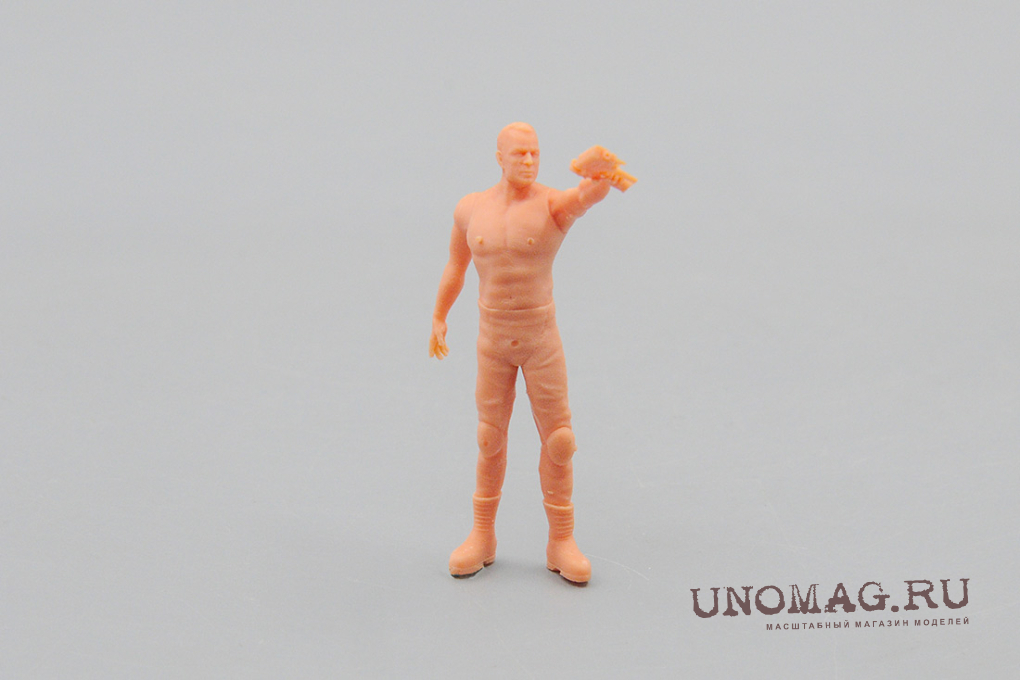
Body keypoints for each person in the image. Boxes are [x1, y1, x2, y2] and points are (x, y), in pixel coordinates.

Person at [429, 122, 625, 584]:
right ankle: (482, 535)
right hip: (492, 338)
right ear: (499, 157)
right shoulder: (470, 209)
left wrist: (601, 177)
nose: (529, 161)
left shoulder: (552, 205)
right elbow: (456, 265)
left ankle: (562, 539)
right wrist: (439, 315)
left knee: (559, 440)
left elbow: (585, 196)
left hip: (540, 339)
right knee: (489, 438)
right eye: (519, 153)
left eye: (535, 153)